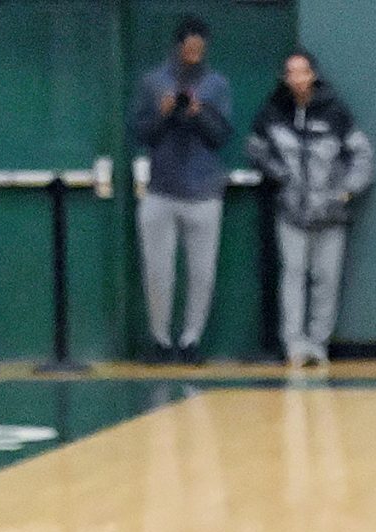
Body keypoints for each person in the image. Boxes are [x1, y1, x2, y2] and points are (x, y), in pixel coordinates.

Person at [248, 50, 374, 370]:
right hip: (289, 211)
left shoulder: (336, 112)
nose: (297, 78)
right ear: (284, 77)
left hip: (330, 213)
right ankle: (293, 345)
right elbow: (255, 149)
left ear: (313, 74)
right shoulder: (273, 111)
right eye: (291, 72)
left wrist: (347, 190)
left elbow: (363, 156)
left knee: (326, 279)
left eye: (303, 71)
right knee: (291, 277)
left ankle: (318, 345)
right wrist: (279, 174)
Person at [129, 15, 234, 364]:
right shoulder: (152, 83)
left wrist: (197, 111)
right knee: (157, 270)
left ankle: (191, 339)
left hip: (204, 191)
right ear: (178, 46)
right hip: (161, 189)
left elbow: (219, 136)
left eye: (199, 48)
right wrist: (162, 114)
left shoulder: (217, 85)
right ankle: (160, 339)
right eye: (188, 47)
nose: (194, 53)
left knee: (202, 272)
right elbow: (142, 133)